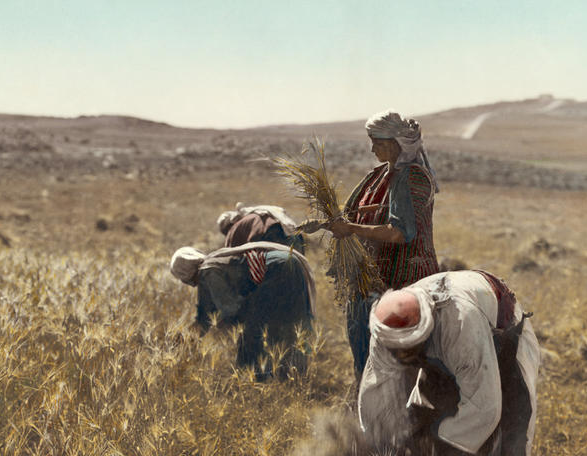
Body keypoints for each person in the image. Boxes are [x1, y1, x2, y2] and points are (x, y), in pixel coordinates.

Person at [356, 269, 540, 456]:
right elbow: (376, 392)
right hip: (449, 349)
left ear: (425, 331)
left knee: (508, 441)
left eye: (411, 349)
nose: (403, 357)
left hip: (501, 336)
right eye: (399, 352)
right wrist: (385, 449)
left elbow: (485, 407)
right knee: (422, 420)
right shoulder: (384, 332)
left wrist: (442, 449)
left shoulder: (461, 323)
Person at [323, 110, 438, 376]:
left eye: (378, 142)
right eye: (371, 140)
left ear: (397, 143)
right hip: (369, 279)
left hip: (401, 281)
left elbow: (400, 232)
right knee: (364, 358)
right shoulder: (379, 175)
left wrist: (350, 228)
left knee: (394, 365)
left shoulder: (412, 178)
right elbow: (373, 208)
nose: (372, 148)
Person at [170, 241, 316, 380]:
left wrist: (224, 324)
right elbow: (205, 317)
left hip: (277, 270)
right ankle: (295, 378)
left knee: (253, 333)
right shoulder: (212, 265)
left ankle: (255, 380)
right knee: (290, 324)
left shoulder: (208, 272)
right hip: (290, 264)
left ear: (185, 273)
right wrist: (186, 339)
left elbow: (233, 309)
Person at [216, 203, 305, 253]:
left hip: (269, 234)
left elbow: (231, 255)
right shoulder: (256, 214)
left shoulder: (234, 228)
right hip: (294, 235)